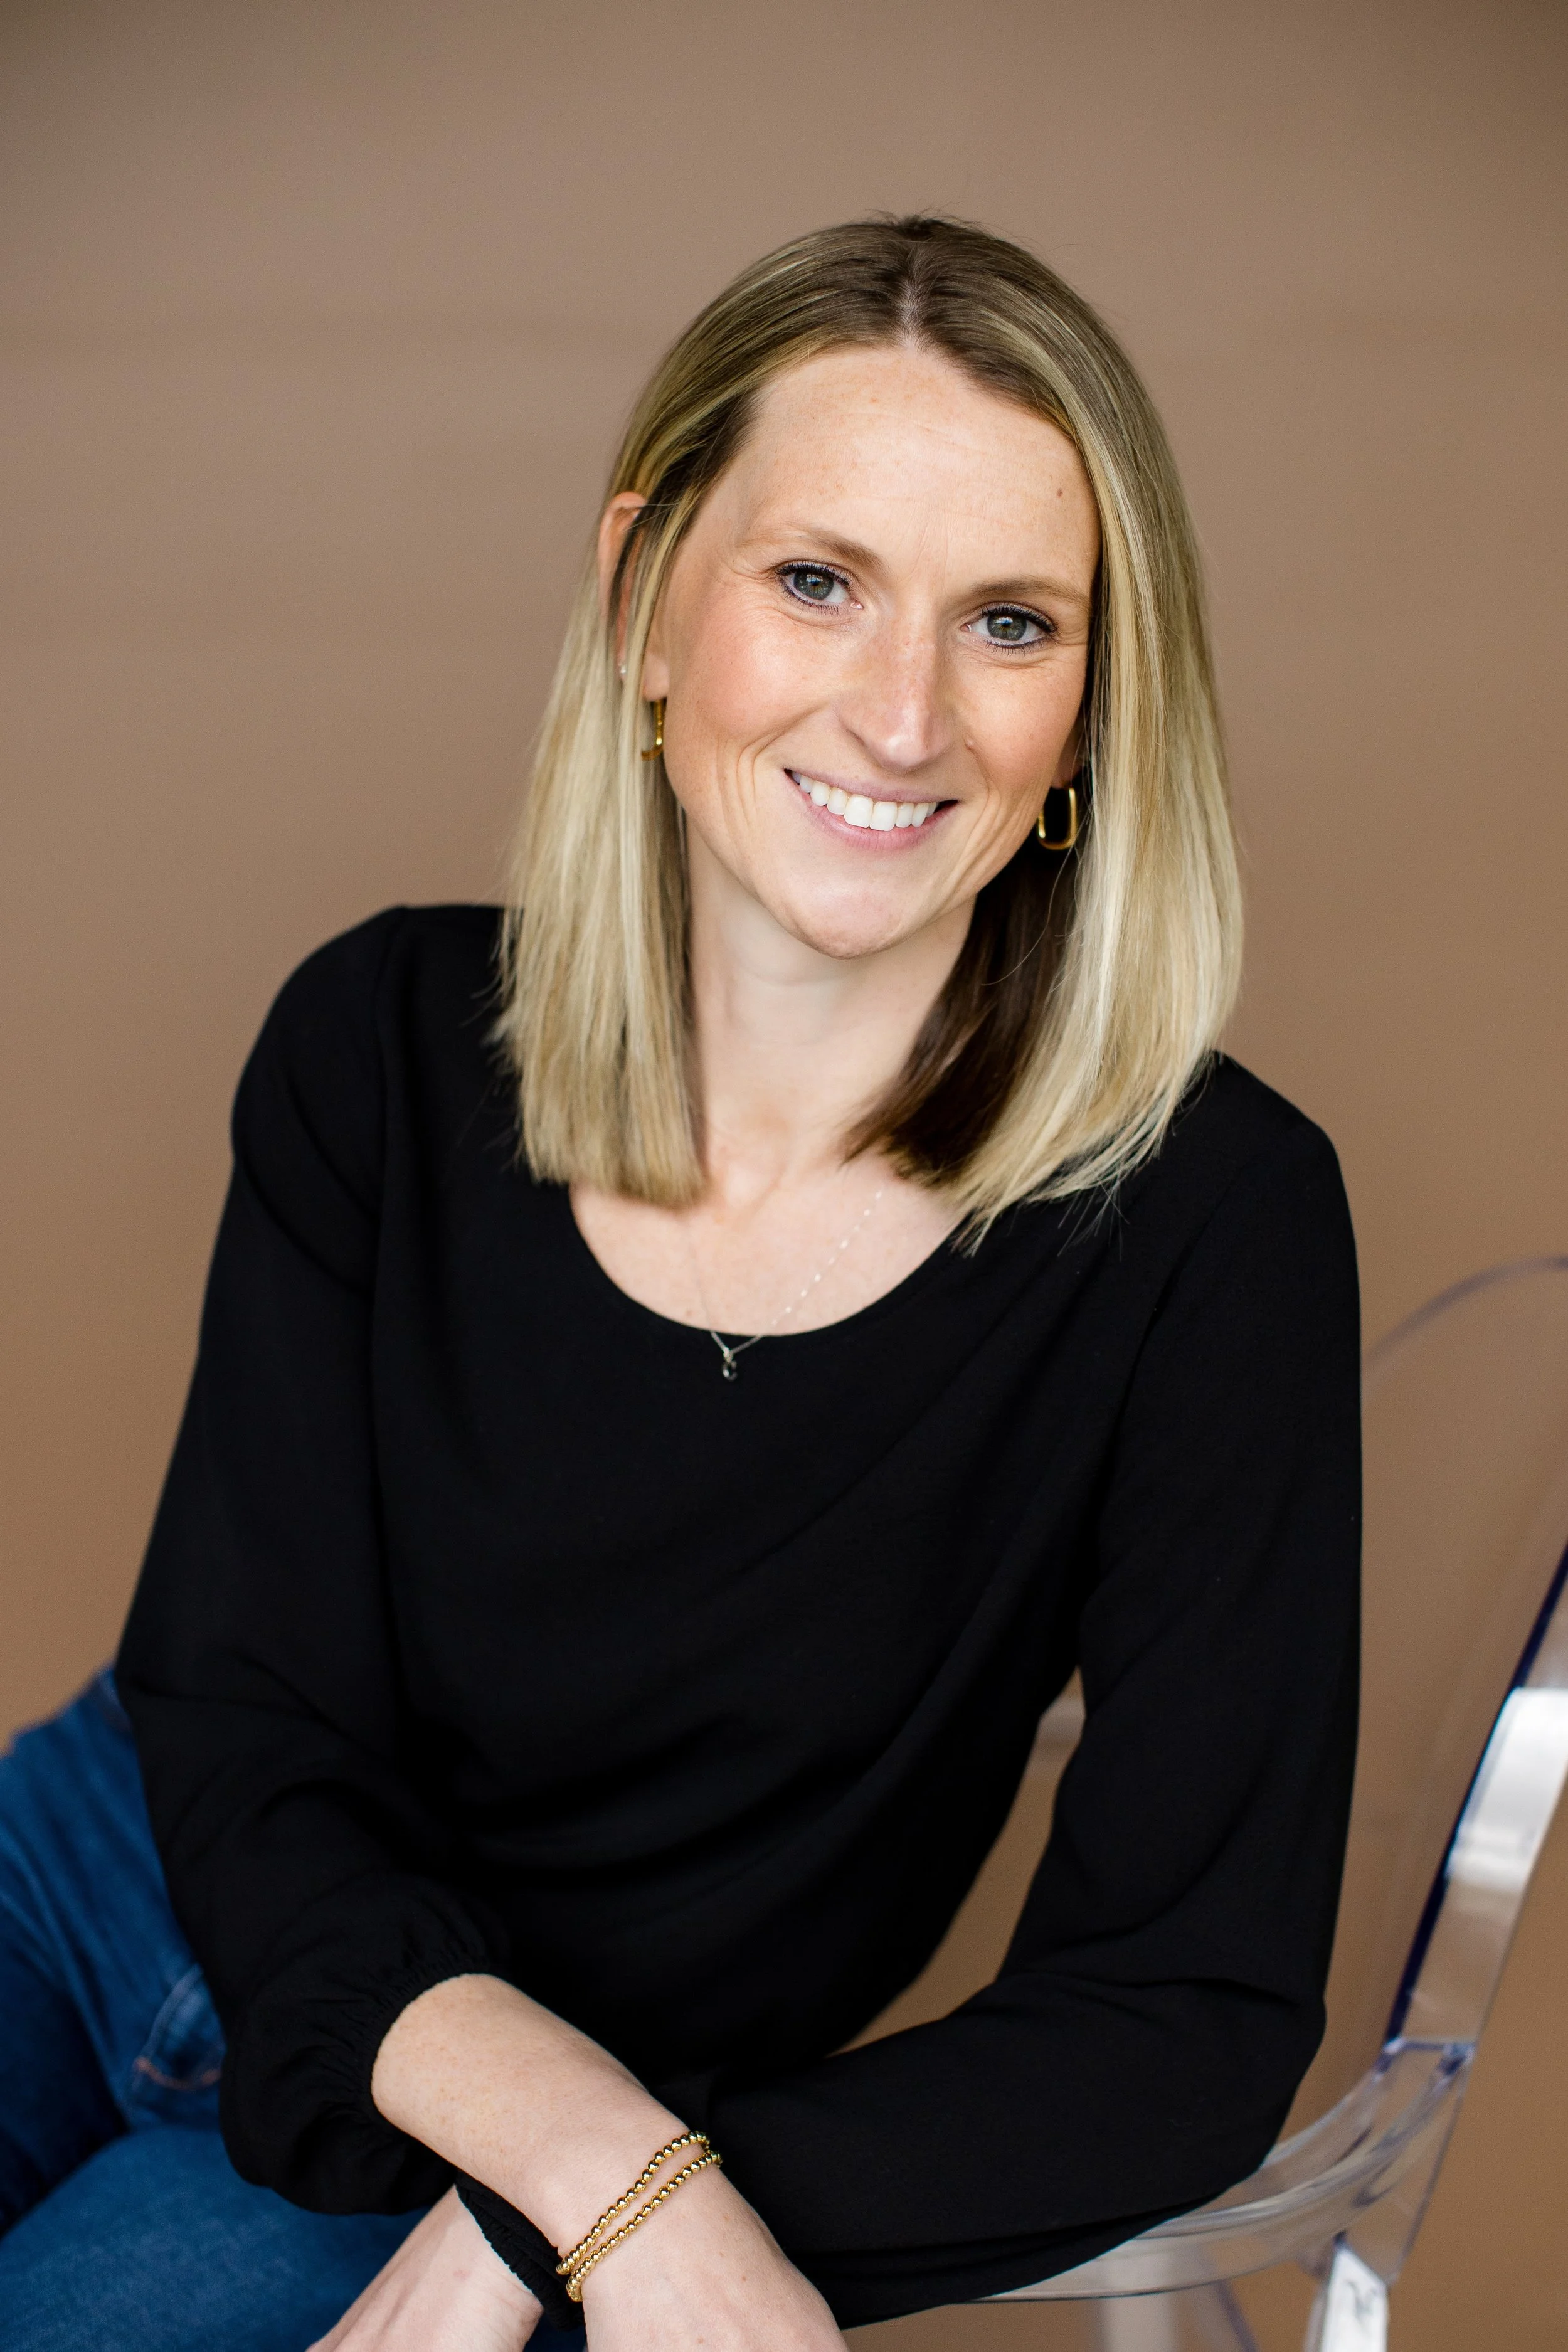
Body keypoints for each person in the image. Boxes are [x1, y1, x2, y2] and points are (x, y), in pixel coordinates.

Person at [0, 216, 1360, 2352]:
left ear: (1093, 705)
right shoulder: (373, 1042)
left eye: (1008, 622)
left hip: (562, 2098)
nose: (899, 715)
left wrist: (600, 2197)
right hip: (103, 1887)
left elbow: (1176, 2011)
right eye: (815, 580)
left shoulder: (1209, 1222)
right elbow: (245, 1718)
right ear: (645, 593)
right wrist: (584, 2166)